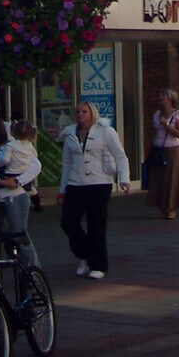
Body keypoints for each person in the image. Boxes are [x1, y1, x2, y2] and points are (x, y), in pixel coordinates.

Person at [57, 100, 130, 279]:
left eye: (84, 112)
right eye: (78, 112)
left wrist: (124, 179)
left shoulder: (105, 132)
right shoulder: (70, 135)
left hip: (99, 182)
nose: (80, 115)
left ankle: (98, 265)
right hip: (76, 182)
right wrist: (62, 189)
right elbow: (66, 164)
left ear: (92, 114)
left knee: (96, 223)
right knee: (68, 221)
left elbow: (120, 156)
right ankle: (86, 253)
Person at [146, 90, 179, 218]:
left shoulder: (178, 114)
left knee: (172, 178)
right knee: (159, 179)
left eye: (164, 96)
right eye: (161, 95)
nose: (161, 98)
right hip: (159, 148)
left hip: (173, 149)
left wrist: (167, 125)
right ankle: (160, 208)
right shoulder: (157, 114)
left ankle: (171, 208)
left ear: (170, 99)